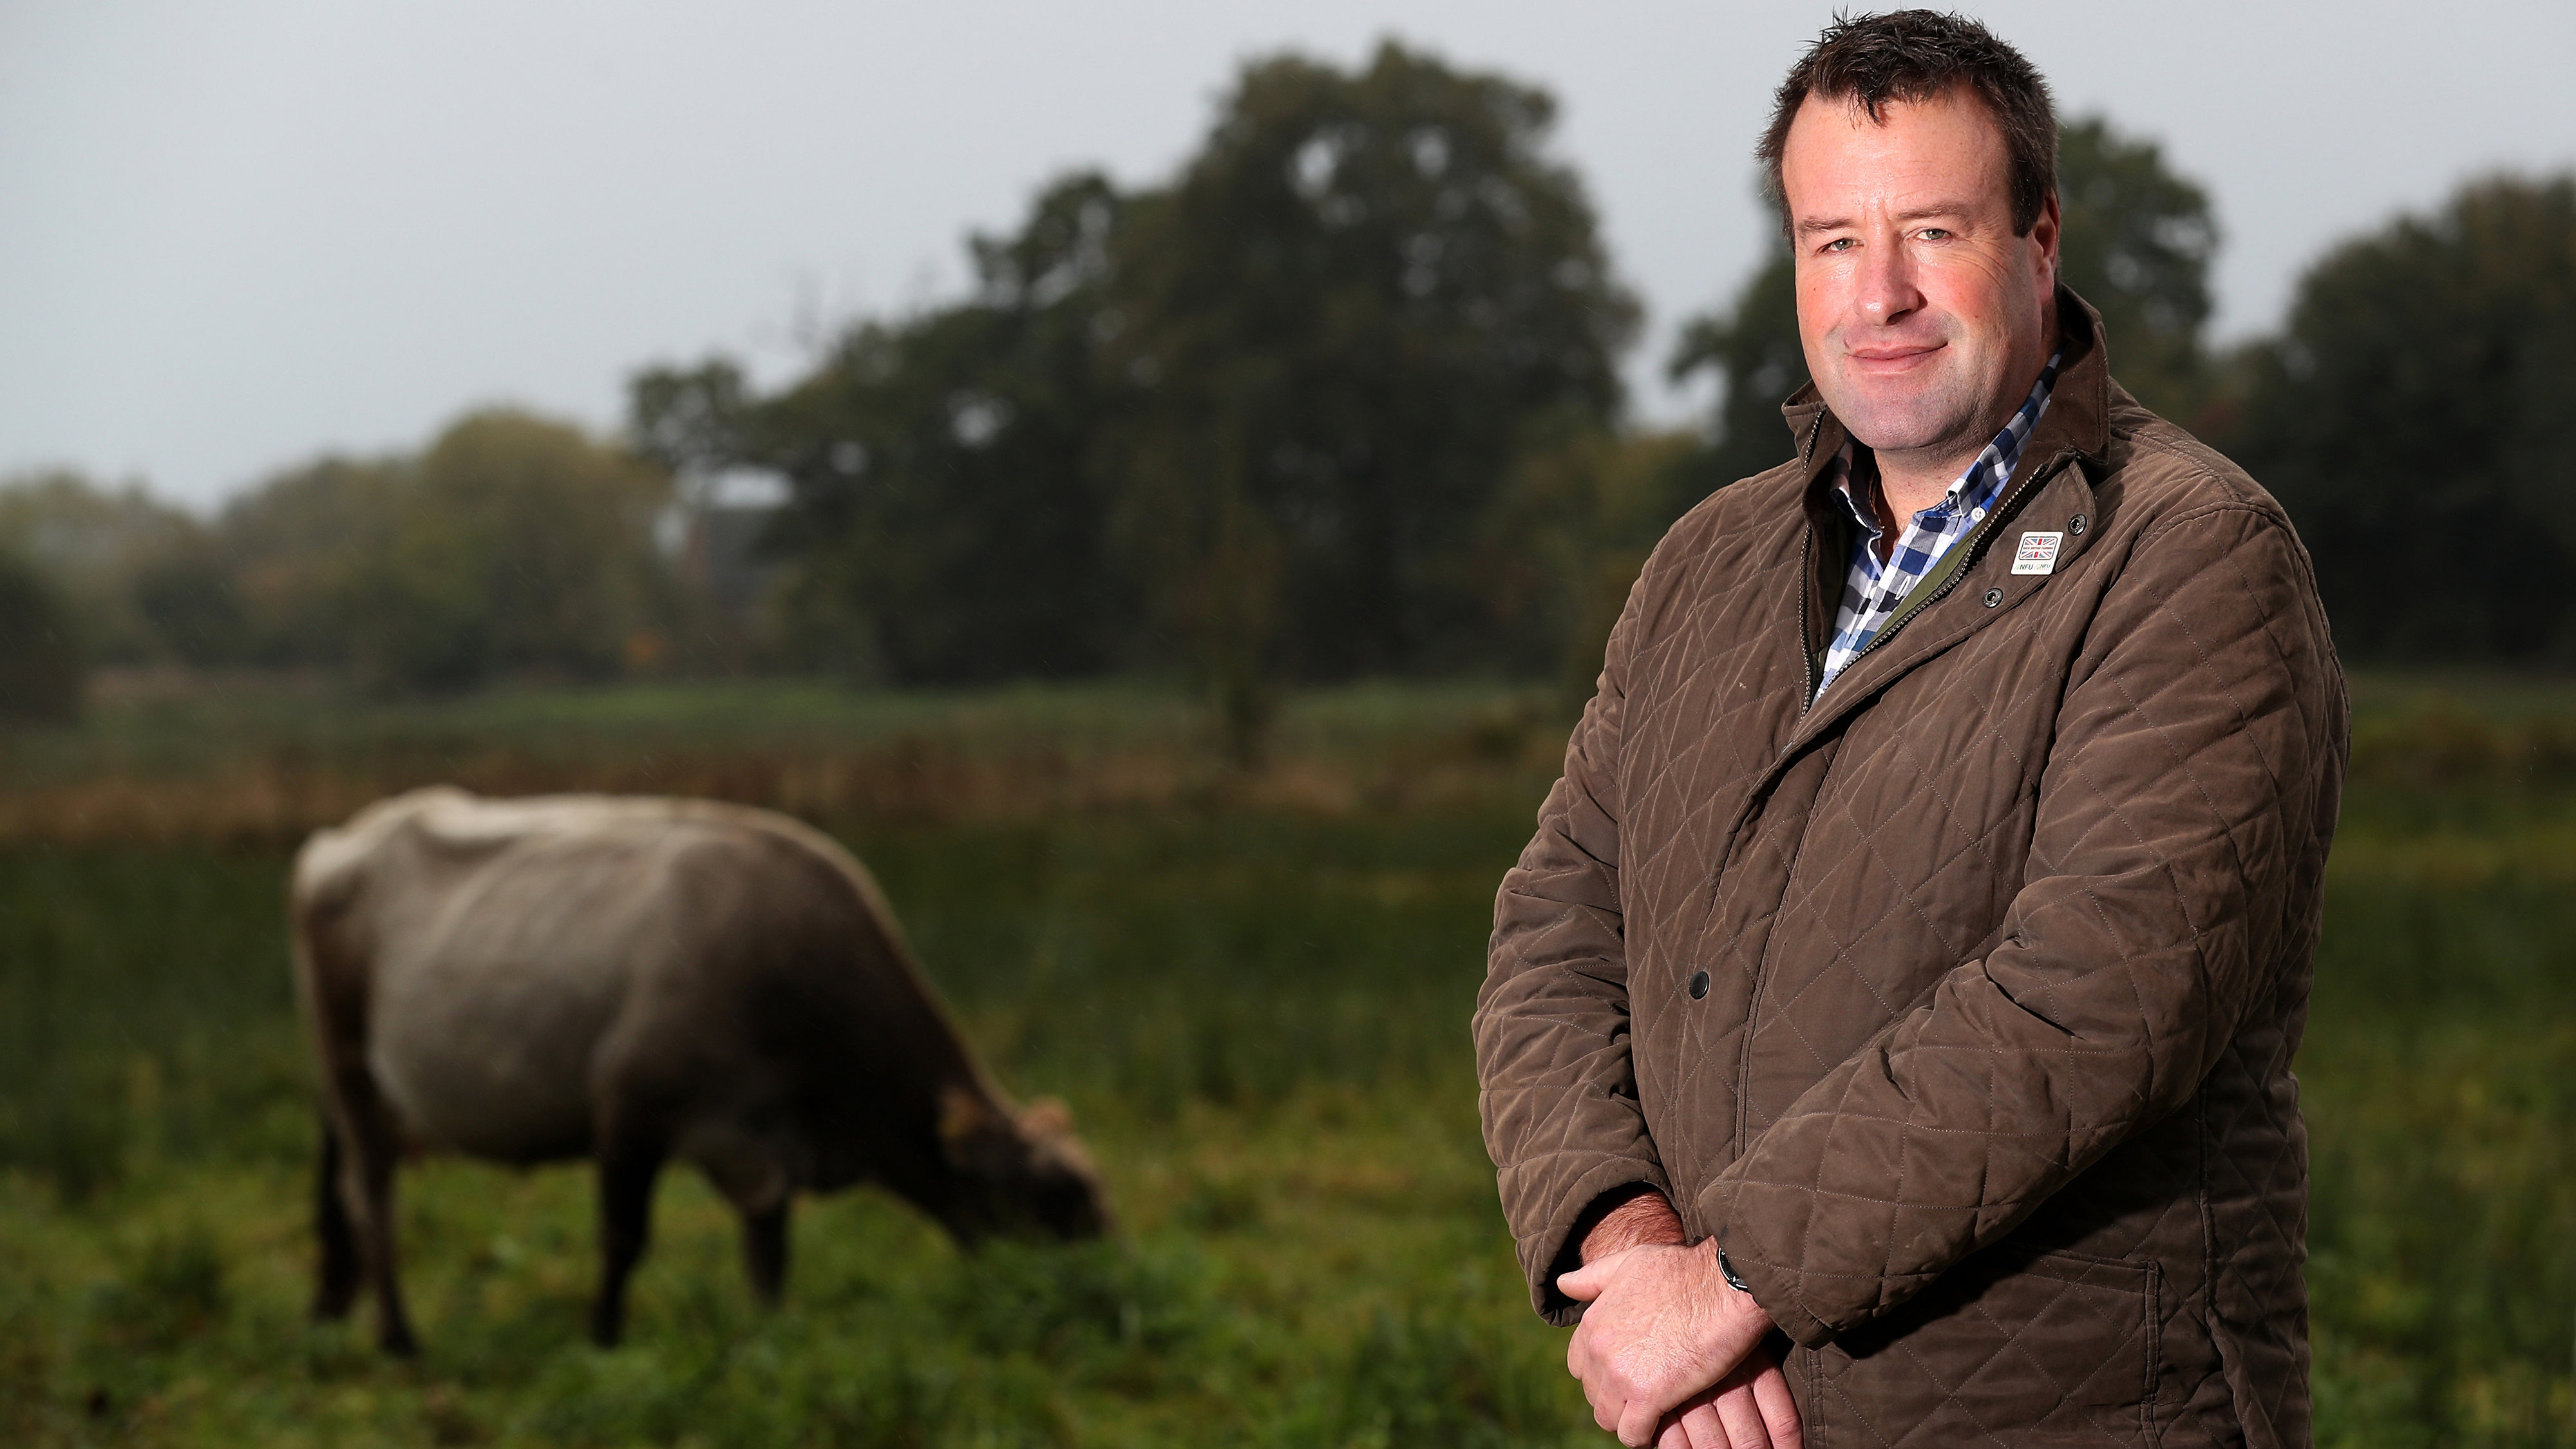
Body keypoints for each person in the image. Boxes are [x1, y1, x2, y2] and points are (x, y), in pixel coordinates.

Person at [1473, 12, 2345, 1449]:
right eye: (1829, 240)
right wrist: (1628, 1258)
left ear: (2038, 237)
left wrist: (1733, 1280)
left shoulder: (2191, 557)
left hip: (2072, 1414)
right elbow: (1555, 931)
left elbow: (2096, 995)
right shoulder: (1708, 562)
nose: (1875, 295)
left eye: (1930, 231)